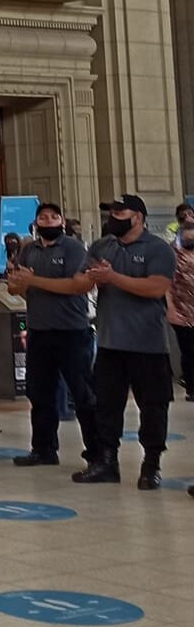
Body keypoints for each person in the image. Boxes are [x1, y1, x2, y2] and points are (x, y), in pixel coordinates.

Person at [73, 194, 177, 489]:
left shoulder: (157, 248)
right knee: (106, 406)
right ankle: (107, 462)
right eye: (111, 213)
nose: (113, 218)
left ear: (138, 218)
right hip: (110, 342)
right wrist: (91, 278)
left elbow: (156, 287)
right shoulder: (101, 246)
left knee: (153, 406)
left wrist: (112, 277)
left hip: (147, 343)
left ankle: (151, 465)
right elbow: (80, 281)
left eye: (120, 213)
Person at [5, 203, 99, 467]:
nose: (48, 221)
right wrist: (17, 284)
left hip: (72, 331)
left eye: (53, 217)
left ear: (62, 221)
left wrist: (34, 281)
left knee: (83, 393)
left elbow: (76, 285)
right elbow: (15, 287)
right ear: (36, 223)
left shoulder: (73, 248)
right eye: (43, 218)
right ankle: (43, 449)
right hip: (39, 330)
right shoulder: (29, 250)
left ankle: (97, 452)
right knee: (40, 393)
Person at [168, 215, 194, 402]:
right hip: (182, 312)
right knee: (189, 351)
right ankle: (192, 387)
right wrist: (170, 309)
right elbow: (167, 285)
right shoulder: (173, 256)